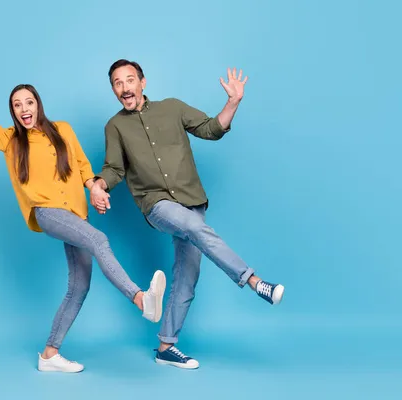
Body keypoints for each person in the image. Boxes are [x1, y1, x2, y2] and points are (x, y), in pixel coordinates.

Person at [0, 50, 166, 373]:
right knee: (99, 241)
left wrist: (95, 189)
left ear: (38, 104)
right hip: (46, 212)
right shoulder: (12, 141)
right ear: (13, 112)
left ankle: (49, 354)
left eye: (29, 102)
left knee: (79, 286)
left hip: (75, 215)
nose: (24, 109)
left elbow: (83, 169)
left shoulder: (62, 129)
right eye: (17, 105)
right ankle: (140, 300)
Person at [90, 59, 285, 369]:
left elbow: (211, 129)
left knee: (187, 276)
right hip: (156, 204)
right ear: (114, 90)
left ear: (143, 82)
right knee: (194, 227)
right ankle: (254, 281)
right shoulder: (115, 126)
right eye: (117, 82)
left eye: (130, 80)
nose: (125, 87)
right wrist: (98, 185)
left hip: (191, 200)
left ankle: (166, 347)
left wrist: (232, 102)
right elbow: (114, 169)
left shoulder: (172, 108)